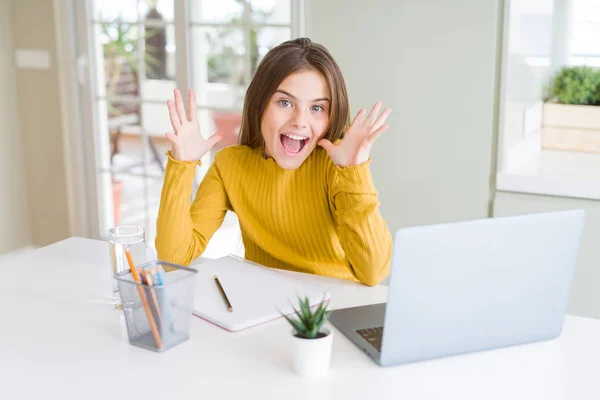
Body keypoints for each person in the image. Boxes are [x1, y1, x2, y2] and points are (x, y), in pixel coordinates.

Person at [156, 38, 392, 286]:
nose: (300, 120)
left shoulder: (336, 170)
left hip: (330, 312)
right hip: (263, 305)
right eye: (285, 103)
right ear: (260, 104)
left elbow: (374, 272)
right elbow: (174, 257)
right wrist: (181, 165)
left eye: (317, 108)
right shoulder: (230, 165)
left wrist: (354, 172)